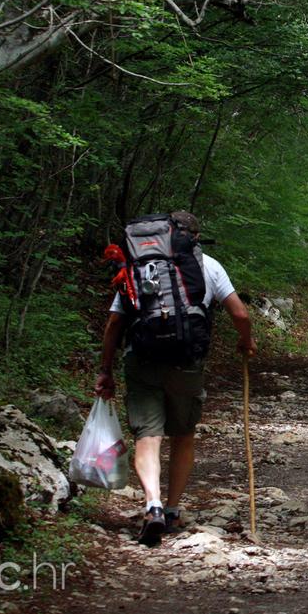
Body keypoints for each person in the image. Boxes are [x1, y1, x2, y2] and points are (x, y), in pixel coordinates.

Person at [95, 210, 256, 547]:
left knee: (147, 436)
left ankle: (151, 504)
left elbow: (114, 323)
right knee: (183, 434)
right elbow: (240, 313)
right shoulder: (207, 265)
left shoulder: (136, 266)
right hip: (186, 363)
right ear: (193, 236)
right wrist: (246, 341)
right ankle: (171, 510)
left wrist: (105, 370)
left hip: (142, 361)